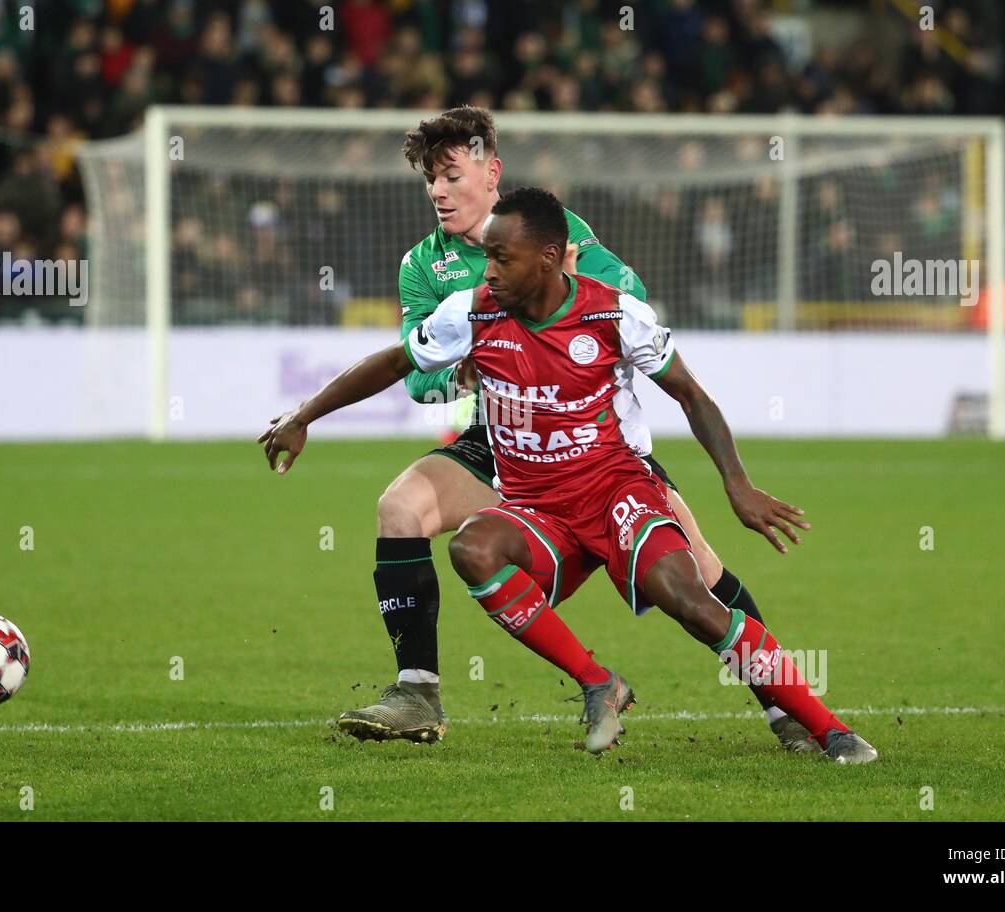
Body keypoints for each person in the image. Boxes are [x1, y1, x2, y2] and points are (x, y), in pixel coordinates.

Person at [262, 187, 877, 763]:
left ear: (549, 259)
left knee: (692, 599)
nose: (491, 272)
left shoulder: (613, 315)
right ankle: (597, 682)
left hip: (615, 495)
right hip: (537, 508)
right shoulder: (470, 313)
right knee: (473, 546)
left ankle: (829, 729)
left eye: (502, 259)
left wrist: (736, 484)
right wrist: (304, 416)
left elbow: (692, 395)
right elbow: (394, 363)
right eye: (487, 260)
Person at [342, 106, 811, 751]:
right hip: (499, 434)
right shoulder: (423, 266)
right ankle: (417, 692)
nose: (437, 190)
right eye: (430, 179)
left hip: (592, 441)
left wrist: (546, 323)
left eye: (450, 174)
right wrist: (463, 375)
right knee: (399, 507)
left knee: (698, 576)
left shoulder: (558, 236)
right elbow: (415, 373)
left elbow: (628, 297)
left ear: (490, 172)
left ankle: (782, 708)